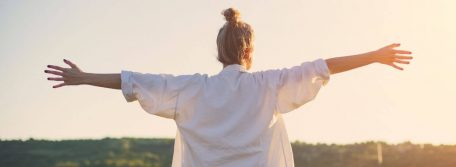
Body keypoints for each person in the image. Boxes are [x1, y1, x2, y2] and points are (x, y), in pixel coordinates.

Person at [44, 8, 412, 167]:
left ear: (219, 52)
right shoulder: (269, 85)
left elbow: (133, 81)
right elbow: (324, 66)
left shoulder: (191, 90)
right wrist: (375, 55)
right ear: (249, 51)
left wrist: (83, 77)